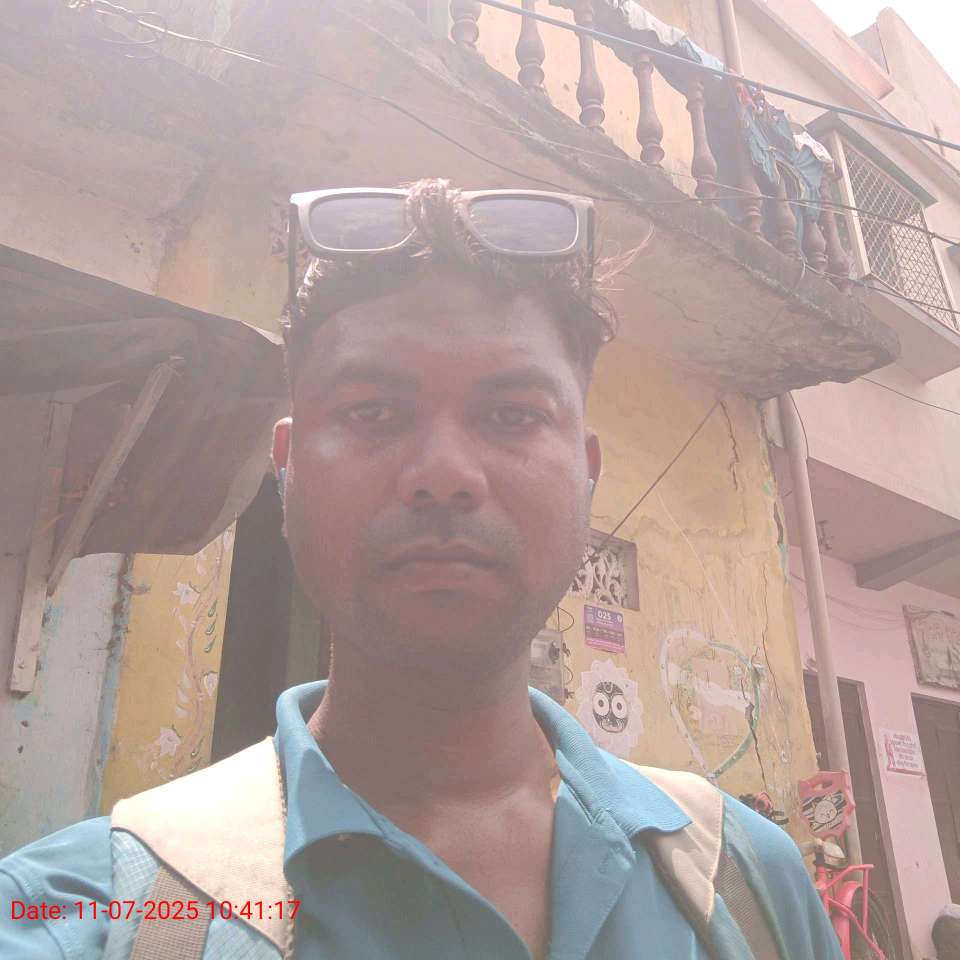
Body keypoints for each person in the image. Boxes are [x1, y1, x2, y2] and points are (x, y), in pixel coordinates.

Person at [0, 179, 842, 960]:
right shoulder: (87, 912)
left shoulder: (747, 882)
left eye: (512, 415)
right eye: (372, 413)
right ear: (286, 470)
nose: (444, 473)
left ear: (586, 475)